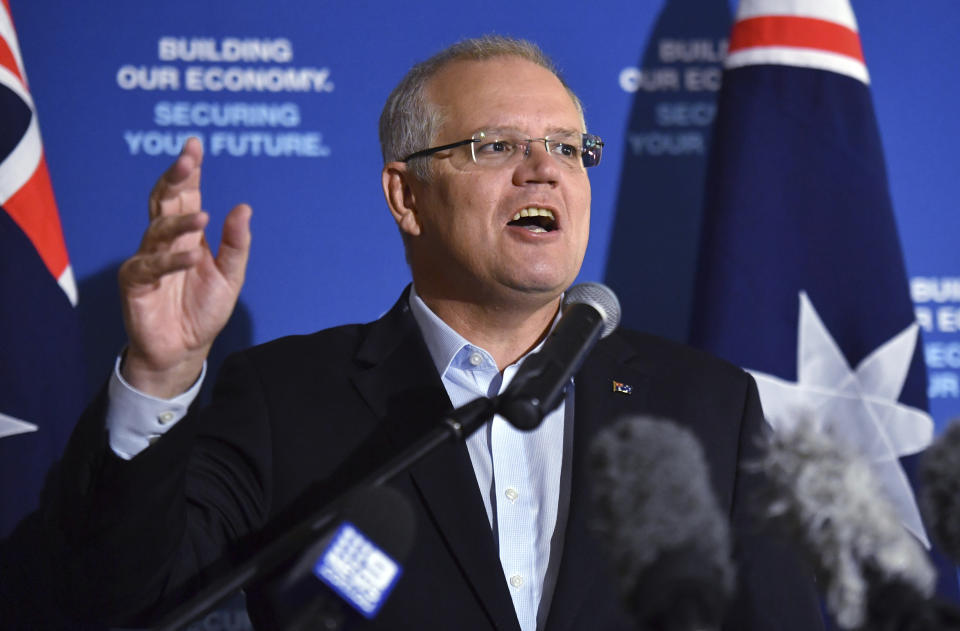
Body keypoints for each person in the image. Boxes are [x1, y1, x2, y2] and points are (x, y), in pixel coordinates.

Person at [44, 36, 823, 630]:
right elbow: (125, 604)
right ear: (406, 196)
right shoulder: (284, 401)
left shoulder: (708, 407)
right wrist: (158, 375)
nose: (543, 170)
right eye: (496, 146)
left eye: (566, 147)